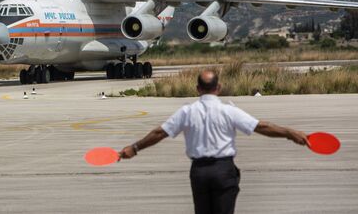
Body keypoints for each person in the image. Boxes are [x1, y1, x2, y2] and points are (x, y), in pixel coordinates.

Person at [119, 69, 309, 214]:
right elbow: (261, 127)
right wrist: (289, 133)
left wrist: (134, 148)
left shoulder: (187, 111)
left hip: (199, 172)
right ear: (218, 88)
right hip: (223, 171)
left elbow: (160, 132)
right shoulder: (228, 110)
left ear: (198, 89)